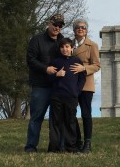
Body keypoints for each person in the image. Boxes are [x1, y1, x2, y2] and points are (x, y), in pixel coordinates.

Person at [24, 13, 65, 152]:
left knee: (57, 120)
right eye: (55, 24)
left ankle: (55, 147)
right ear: (49, 23)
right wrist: (45, 69)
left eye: (60, 25)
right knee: (36, 117)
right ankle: (31, 147)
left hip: (58, 87)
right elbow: (30, 59)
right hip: (40, 86)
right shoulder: (36, 40)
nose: (57, 27)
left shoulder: (64, 42)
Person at [47, 38, 86, 153]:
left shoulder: (77, 61)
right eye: (62, 47)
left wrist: (77, 91)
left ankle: (71, 148)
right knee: (55, 123)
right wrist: (57, 75)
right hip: (56, 97)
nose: (65, 49)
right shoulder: (55, 62)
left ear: (72, 48)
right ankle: (54, 148)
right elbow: (48, 79)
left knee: (70, 122)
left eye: (67, 47)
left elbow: (82, 77)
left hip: (71, 97)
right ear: (60, 49)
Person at [69, 19, 100, 153]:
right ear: (74, 30)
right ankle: (76, 141)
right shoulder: (69, 45)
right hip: (71, 85)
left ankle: (87, 143)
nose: (80, 29)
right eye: (78, 27)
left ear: (86, 30)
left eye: (83, 27)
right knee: (70, 113)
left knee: (86, 114)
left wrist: (83, 68)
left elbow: (97, 65)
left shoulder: (92, 45)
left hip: (86, 84)